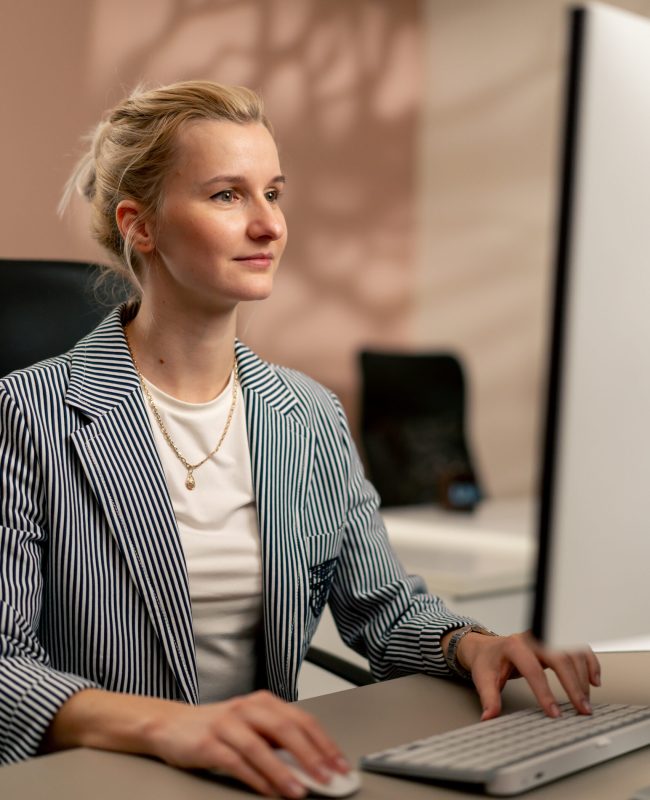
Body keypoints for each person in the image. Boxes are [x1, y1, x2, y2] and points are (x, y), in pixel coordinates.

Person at [0, 81, 599, 798]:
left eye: (273, 194)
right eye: (227, 196)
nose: (269, 226)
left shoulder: (307, 416)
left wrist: (469, 643)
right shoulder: (26, 414)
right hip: (98, 783)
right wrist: (164, 725)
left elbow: (383, 607)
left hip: (267, 781)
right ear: (141, 226)